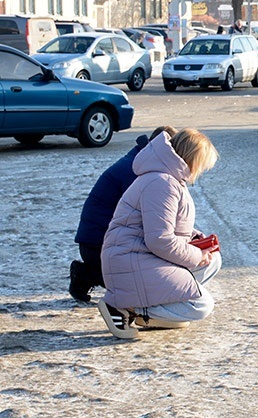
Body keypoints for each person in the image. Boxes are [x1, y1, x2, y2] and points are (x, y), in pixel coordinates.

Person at [98, 129, 221, 339]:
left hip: (141, 258)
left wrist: (195, 239)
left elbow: (166, 224)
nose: (200, 171)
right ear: (192, 159)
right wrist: (196, 255)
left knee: (213, 261)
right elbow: (159, 239)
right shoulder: (162, 183)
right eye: (202, 165)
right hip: (132, 260)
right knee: (201, 306)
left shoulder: (168, 178)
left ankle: (155, 310)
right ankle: (130, 308)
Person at [70, 126, 177, 303]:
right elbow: (150, 218)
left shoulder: (139, 161)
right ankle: (87, 274)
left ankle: (89, 273)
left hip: (96, 242)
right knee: (141, 284)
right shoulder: (138, 171)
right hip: (98, 245)